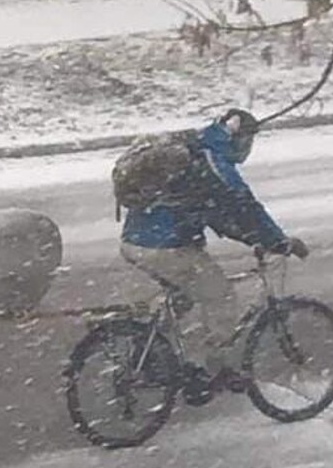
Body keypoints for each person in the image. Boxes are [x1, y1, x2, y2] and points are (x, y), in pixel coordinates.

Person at [119, 108, 309, 394]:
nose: (248, 149)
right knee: (221, 296)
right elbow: (245, 206)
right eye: (248, 141)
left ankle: (150, 354)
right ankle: (205, 370)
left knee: (183, 298)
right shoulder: (214, 161)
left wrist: (254, 239)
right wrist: (277, 241)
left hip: (136, 242)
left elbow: (217, 215)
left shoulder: (196, 149)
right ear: (238, 138)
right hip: (164, 245)